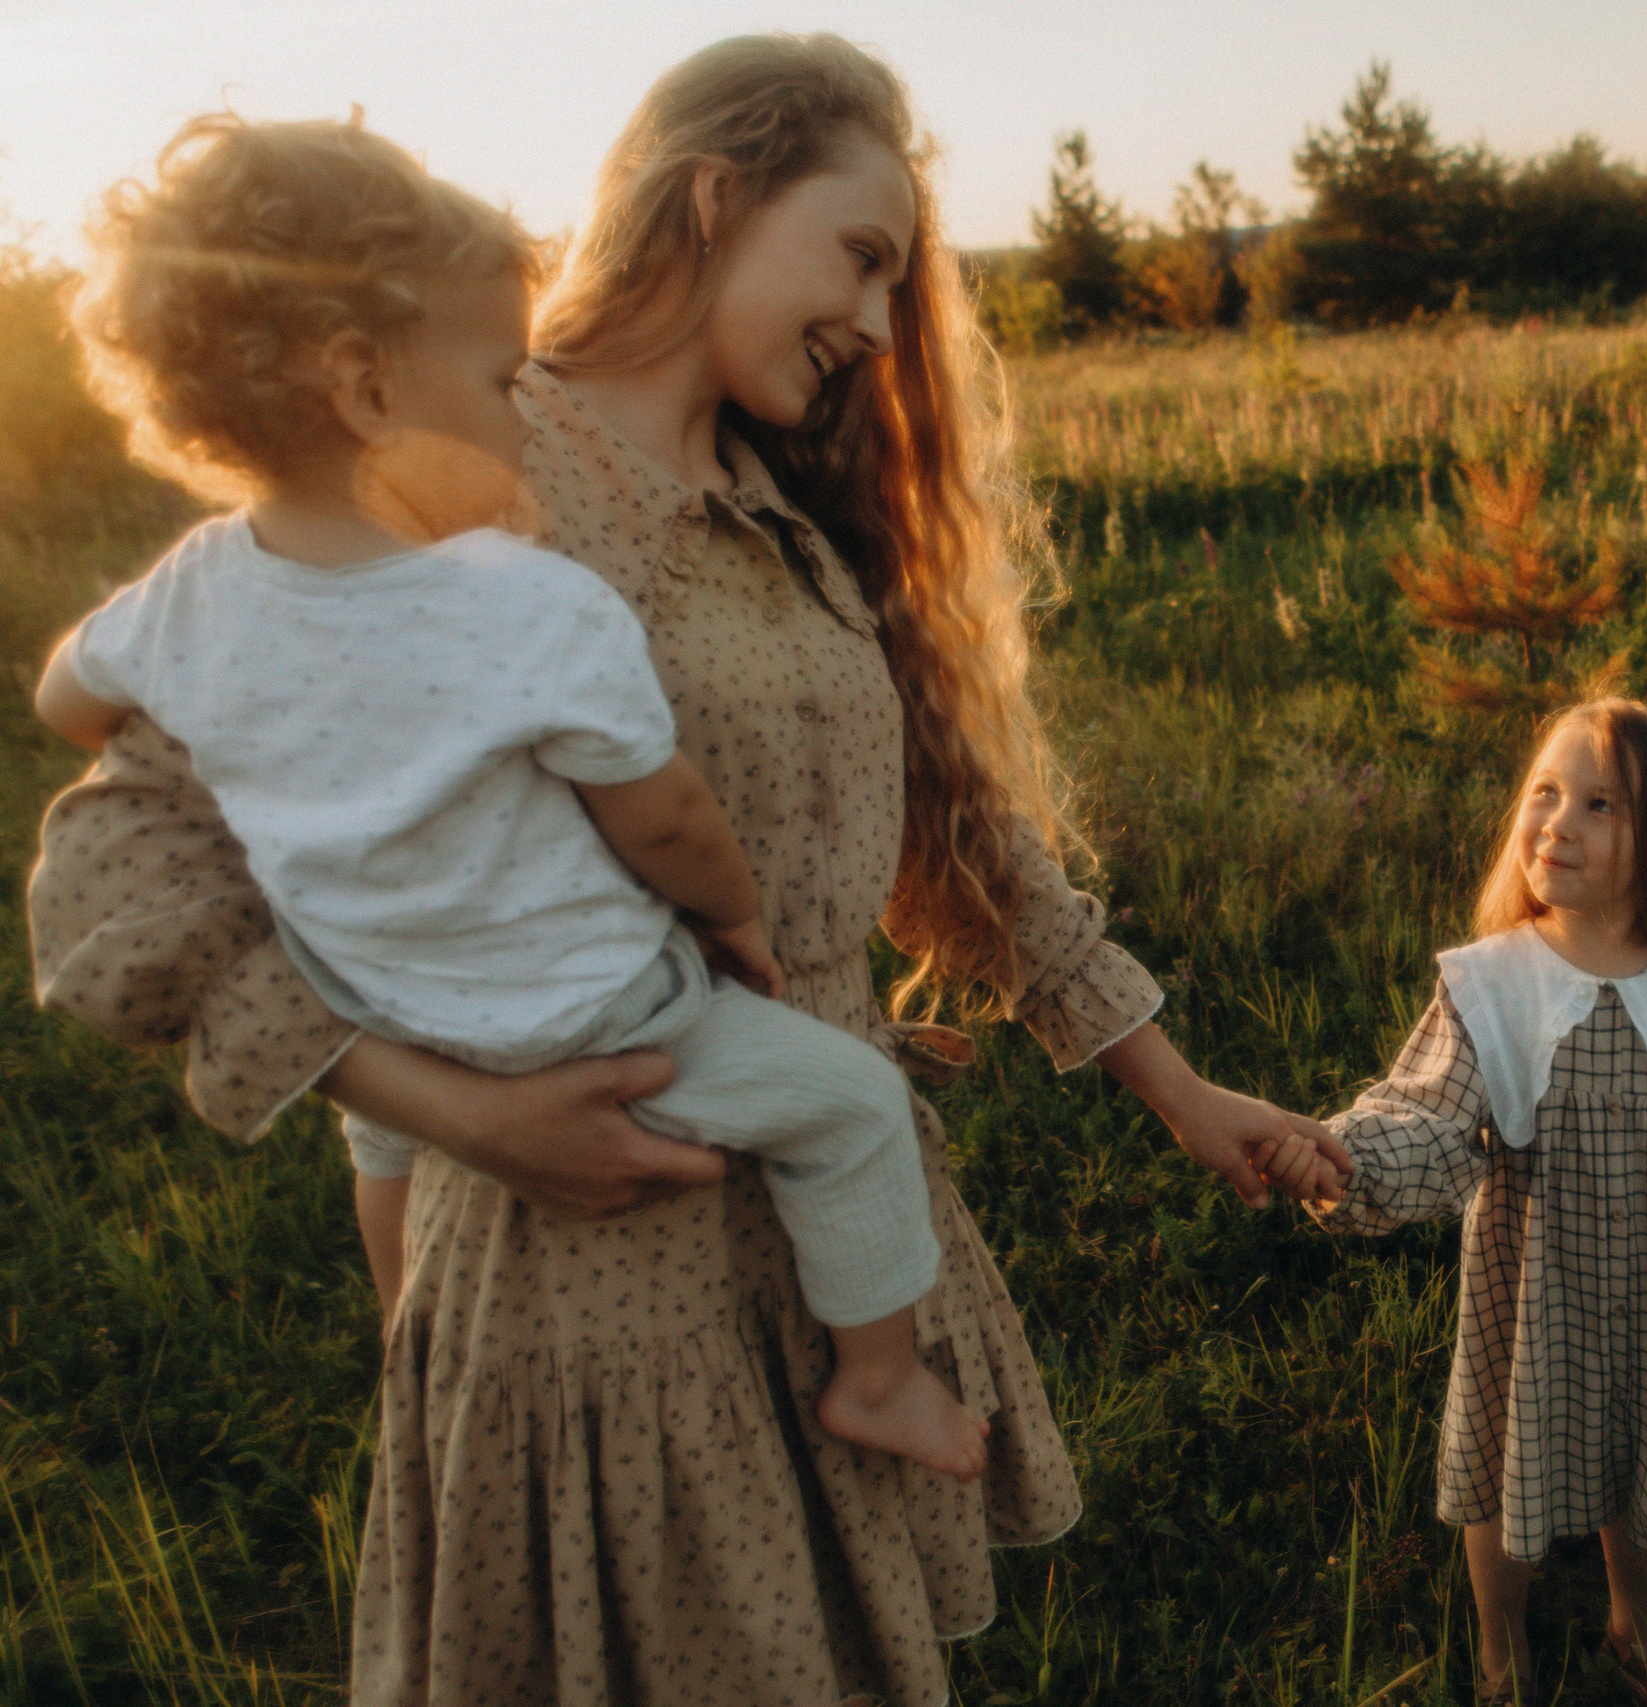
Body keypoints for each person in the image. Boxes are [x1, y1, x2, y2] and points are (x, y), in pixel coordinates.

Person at [27, 33, 1347, 1706]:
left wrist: (1177, 1088)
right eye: (862, 253)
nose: (879, 321)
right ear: (716, 196)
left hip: (825, 1235)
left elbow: (944, 832)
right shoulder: (468, 470)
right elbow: (128, 883)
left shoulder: (775, 494)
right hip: (599, 1261)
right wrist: (453, 1112)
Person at [34, 112, 997, 1478]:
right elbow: (658, 812)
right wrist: (732, 921)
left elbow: (71, 701)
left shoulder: (189, 594)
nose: (518, 409)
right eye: (499, 377)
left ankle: (409, 1347)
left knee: (385, 1153)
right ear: (367, 388)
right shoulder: (527, 595)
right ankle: (882, 1377)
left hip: (385, 1000)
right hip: (592, 1019)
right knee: (850, 1104)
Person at [1293, 697, 1647, 1706]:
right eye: (1545, 792)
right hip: (1530, 1303)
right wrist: (1343, 1160)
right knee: (1500, 1485)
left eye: (1599, 805)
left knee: (1643, 1485)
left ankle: (1632, 1621)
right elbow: (1427, 1118)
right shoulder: (1493, 983)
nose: (1557, 822)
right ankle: (1499, 1646)